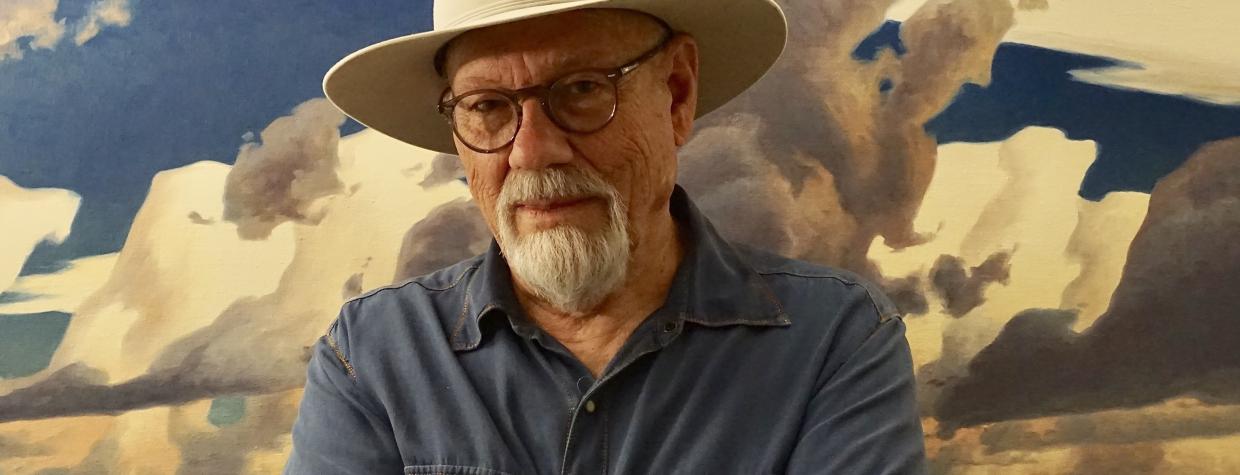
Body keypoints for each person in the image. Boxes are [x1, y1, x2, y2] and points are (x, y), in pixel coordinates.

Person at [285, 0, 927, 473]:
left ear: (677, 94)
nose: (533, 152)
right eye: (486, 106)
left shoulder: (835, 340)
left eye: (584, 89)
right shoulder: (370, 359)